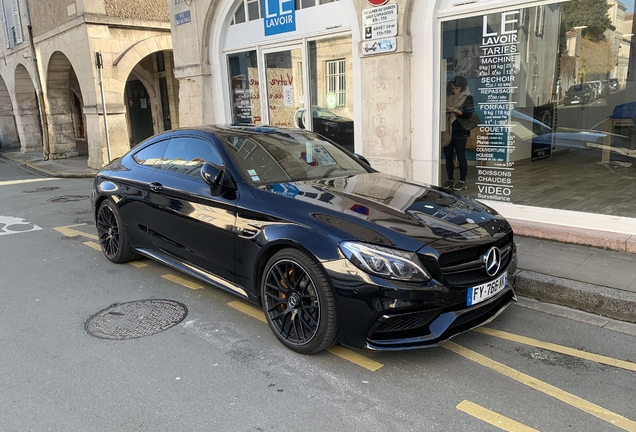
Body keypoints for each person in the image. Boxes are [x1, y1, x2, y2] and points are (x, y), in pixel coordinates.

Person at [441, 75, 474, 191]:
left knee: (461, 156)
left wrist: (455, 110)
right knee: (448, 156)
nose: (455, 90)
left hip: (460, 130)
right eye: (453, 88)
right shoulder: (446, 97)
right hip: (447, 129)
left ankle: (462, 181)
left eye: (457, 88)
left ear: (462, 87)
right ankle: (450, 179)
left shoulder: (467, 97)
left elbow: (468, 114)